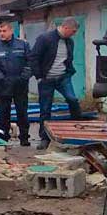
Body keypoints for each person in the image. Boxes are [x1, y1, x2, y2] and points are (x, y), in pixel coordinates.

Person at [31, 17, 84, 148]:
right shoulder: (45, 38)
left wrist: (69, 72)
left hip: (63, 78)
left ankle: (77, 129)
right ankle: (44, 138)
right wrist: (39, 76)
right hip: (46, 79)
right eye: (73, 31)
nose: (74, 34)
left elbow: (68, 59)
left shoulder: (69, 42)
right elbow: (34, 57)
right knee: (45, 108)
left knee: (72, 99)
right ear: (66, 28)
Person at [0, 20, 32, 146]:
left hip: (20, 85)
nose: (1, 33)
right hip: (3, 85)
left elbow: (30, 62)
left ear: (11, 31)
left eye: (4, 31)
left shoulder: (22, 45)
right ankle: (3, 137)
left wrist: (24, 77)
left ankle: (24, 137)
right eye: (0, 31)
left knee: (22, 112)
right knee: (3, 113)